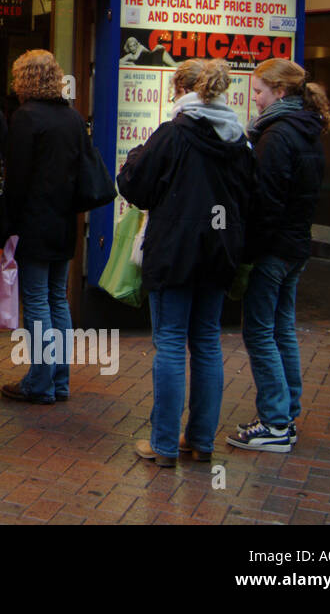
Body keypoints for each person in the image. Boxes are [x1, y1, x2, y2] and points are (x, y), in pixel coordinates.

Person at [117, 59, 255, 467]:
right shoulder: (239, 140)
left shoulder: (172, 135)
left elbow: (134, 187)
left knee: (172, 345)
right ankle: (201, 441)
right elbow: (250, 195)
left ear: (180, 89)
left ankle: (163, 445)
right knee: (209, 343)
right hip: (220, 252)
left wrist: (135, 157)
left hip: (174, 251)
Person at [227, 59, 330, 453]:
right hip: (296, 246)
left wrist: (247, 253)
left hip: (273, 250)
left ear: (280, 92)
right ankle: (286, 413)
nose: (253, 99)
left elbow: (266, 203)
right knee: (282, 329)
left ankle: (274, 422)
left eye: (258, 91)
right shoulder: (308, 131)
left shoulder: (276, 137)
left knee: (259, 332)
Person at [0, 50, 87, 404]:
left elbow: (16, 180)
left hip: (35, 222)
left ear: (24, 79)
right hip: (65, 220)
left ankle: (39, 381)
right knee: (57, 299)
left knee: (36, 300)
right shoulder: (73, 118)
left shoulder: (25, 118)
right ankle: (59, 379)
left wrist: (6, 230)